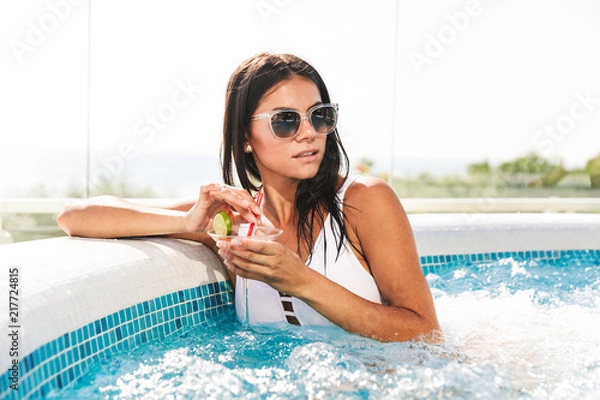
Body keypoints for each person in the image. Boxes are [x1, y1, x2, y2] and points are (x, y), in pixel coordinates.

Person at [57, 52, 441, 342]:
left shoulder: (363, 200)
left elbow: (425, 332)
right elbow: (76, 217)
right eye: (286, 120)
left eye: (319, 116)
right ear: (243, 137)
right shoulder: (237, 221)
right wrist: (188, 222)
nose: (309, 133)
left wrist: (302, 281)